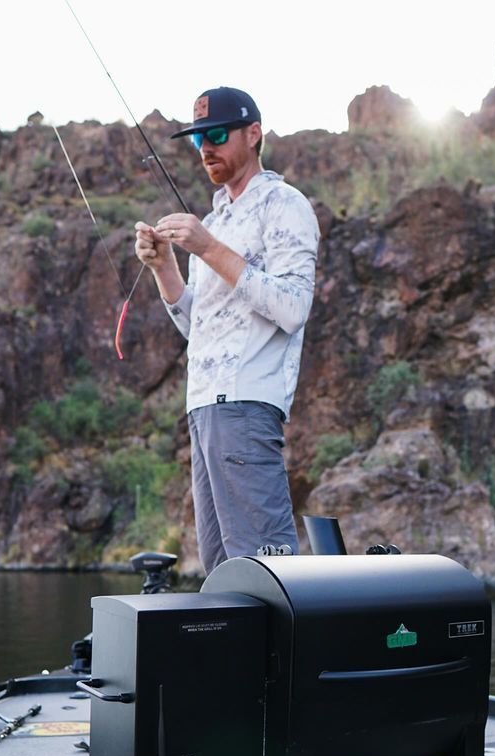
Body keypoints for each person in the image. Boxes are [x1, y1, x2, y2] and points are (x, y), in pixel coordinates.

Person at [134, 86, 320, 574]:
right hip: (202, 411)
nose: (206, 148)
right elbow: (201, 330)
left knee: (266, 572)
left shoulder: (284, 204)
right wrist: (165, 268)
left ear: (253, 134)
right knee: (222, 575)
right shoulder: (216, 220)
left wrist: (208, 248)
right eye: (198, 140)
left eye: (216, 134)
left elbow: (293, 306)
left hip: (246, 407)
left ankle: (286, 653)